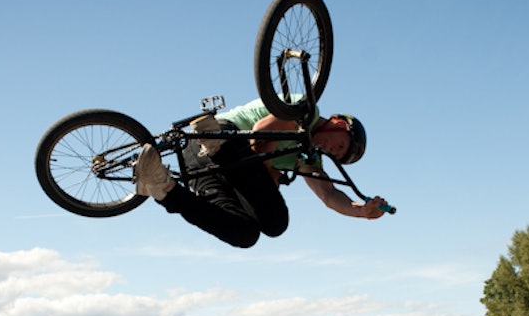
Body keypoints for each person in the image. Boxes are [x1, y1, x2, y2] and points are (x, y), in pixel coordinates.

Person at [131, 99, 389, 248]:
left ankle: (162, 186)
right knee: (276, 221)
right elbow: (261, 132)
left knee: (245, 235)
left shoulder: (307, 156)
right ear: (339, 124)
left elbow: (329, 195)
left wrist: (361, 212)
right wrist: (266, 180)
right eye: (340, 144)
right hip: (217, 134)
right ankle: (217, 145)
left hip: (205, 166)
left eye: (337, 155)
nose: (332, 150)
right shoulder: (306, 112)